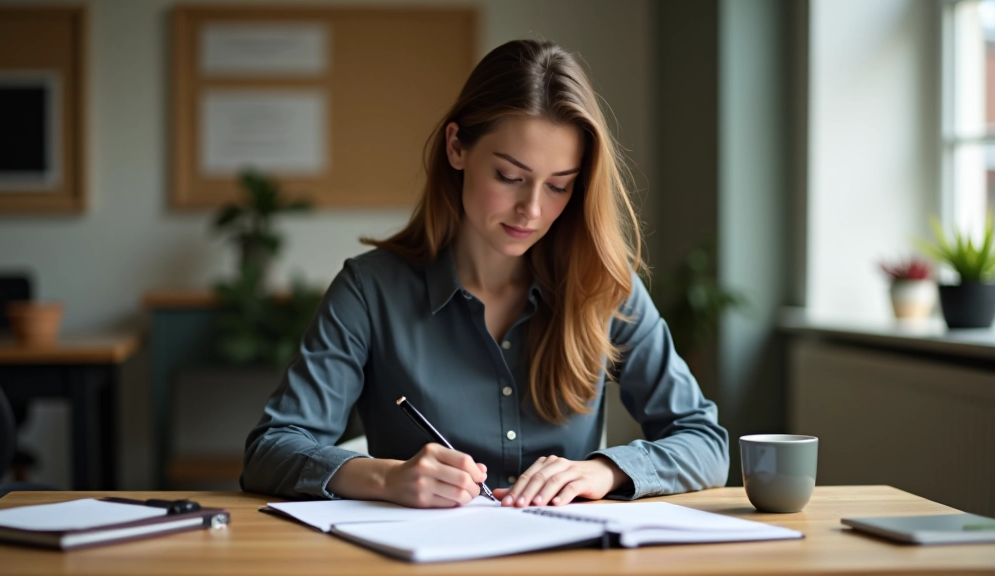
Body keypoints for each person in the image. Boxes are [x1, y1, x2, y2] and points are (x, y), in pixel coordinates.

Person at [241, 39, 728, 509]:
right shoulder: (370, 291)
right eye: (510, 177)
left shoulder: (602, 286)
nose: (532, 210)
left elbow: (706, 442)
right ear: (457, 147)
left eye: (559, 187)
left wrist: (605, 470)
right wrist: (386, 476)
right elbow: (271, 449)